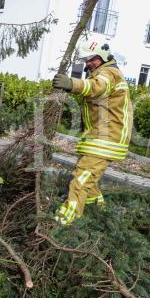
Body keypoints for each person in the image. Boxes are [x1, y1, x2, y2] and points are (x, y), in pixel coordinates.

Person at [52, 40, 133, 225]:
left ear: (103, 57)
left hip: (106, 139)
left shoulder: (108, 73)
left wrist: (71, 83)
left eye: (91, 59)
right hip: (100, 137)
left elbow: (97, 87)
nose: (87, 63)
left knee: (80, 181)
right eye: (86, 59)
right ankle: (98, 212)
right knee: (88, 178)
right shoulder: (104, 72)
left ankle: (65, 224)